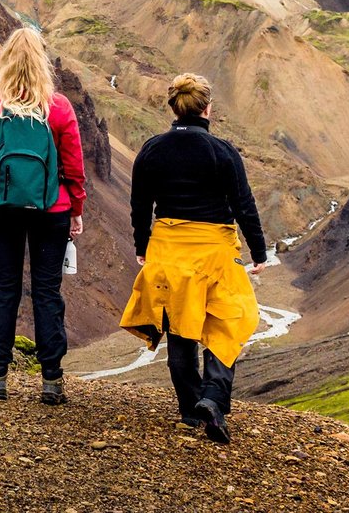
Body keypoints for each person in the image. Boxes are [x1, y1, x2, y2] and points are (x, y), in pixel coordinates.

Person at [119, 73, 267, 444]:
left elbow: (140, 206)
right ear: (207, 109)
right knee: (230, 320)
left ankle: (190, 411)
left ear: (174, 107)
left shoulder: (152, 150)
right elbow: (243, 205)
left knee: (181, 330)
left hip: (168, 252)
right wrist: (259, 250)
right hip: (215, 252)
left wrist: (142, 245)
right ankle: (213, 397)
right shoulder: (222, 152)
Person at [0, 28, 86, 405]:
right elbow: (74, 166)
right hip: (51, 210)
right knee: (47, 292)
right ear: (42, 62)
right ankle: (51, 381)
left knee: (4, 290)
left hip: (0, 209)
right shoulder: (59, 108)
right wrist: (76, 209)